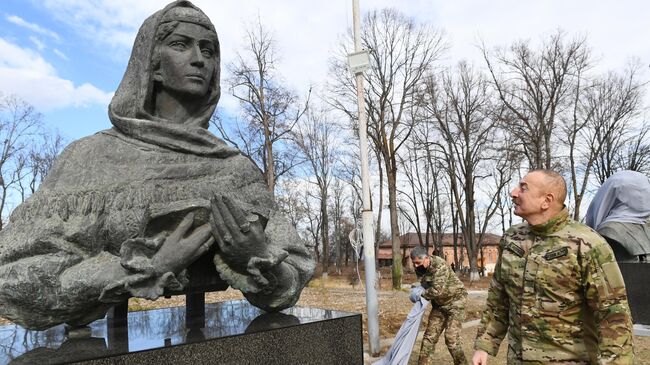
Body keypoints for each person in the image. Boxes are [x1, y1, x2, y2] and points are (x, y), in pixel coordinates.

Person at [0, 0, 314, 330]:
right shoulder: (90, 158)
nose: (199, 59)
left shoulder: (236, 170)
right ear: (153, 64)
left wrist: (256, 254)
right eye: (181, 44)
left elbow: (292, 278)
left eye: (208, 50)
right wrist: (148, 267)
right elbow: (12, 276)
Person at [472, 170, 634, 365]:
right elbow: (499, 298)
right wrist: (484, 345)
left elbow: (613, 314)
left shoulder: (587, 244)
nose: (513, 192)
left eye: (523, 188)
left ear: (546, 201)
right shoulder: (512, 239)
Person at [410, 246, 468, 365]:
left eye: (418, 262)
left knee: (451, 338)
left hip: (456, 302)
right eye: (413, 263)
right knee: (429, 338)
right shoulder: (420, 268)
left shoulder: (440, 266)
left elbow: (436, 291)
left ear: (426, 258)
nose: (416, 266)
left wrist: (420, 294)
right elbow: (424, 285)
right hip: (439, 305)